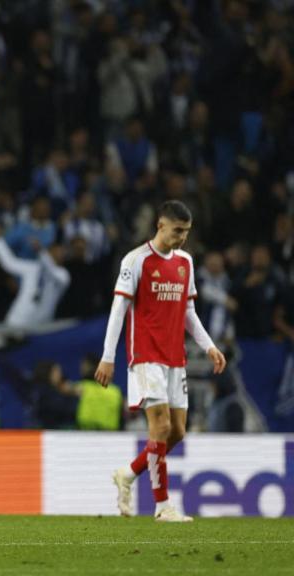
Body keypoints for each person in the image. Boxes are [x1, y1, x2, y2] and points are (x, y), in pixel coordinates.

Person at [95, 200, 226, 523]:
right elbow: (118, 311)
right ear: (160, 225)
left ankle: (127, 474)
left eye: (186, 232)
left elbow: (189, 312)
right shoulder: (135, 260)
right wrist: (108, 357)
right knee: (161, 426)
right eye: (177, 231)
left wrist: (209, 346)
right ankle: (162, 506)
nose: (182, 237)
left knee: (178, 432)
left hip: (174, 358)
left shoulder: (186, 262)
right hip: (146, 356)